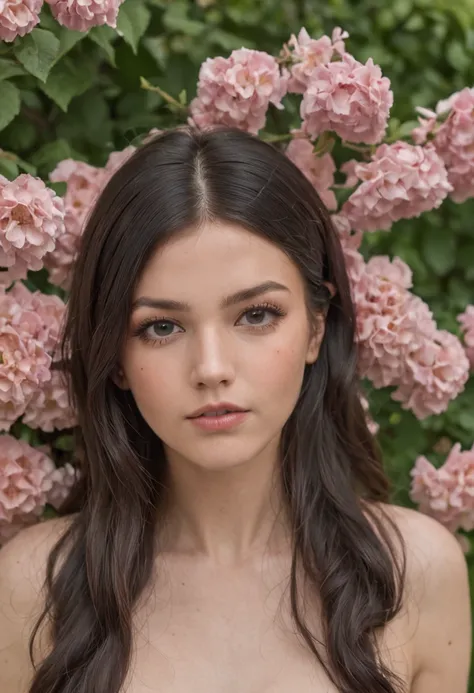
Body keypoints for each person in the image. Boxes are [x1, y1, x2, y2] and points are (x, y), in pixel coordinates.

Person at [0, 125, 471, 693]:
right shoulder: (32, 587)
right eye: (161, 327)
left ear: (316, 328)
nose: (211, 367)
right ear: (116, 357)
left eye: (255, 315)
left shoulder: (417, 572)